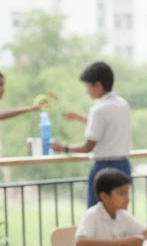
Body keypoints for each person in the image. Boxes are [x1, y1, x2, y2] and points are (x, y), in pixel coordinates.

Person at [51, 60, 132, 207]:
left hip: (104, 168)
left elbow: (88, 147)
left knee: (97, 213)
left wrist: (63, 148)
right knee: (119, 213)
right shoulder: (122, 104)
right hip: (123, 165)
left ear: (98, 85)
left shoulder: (98, 109)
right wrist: (79, 118)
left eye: (87, 86)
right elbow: (107, 127)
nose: (86, 91)